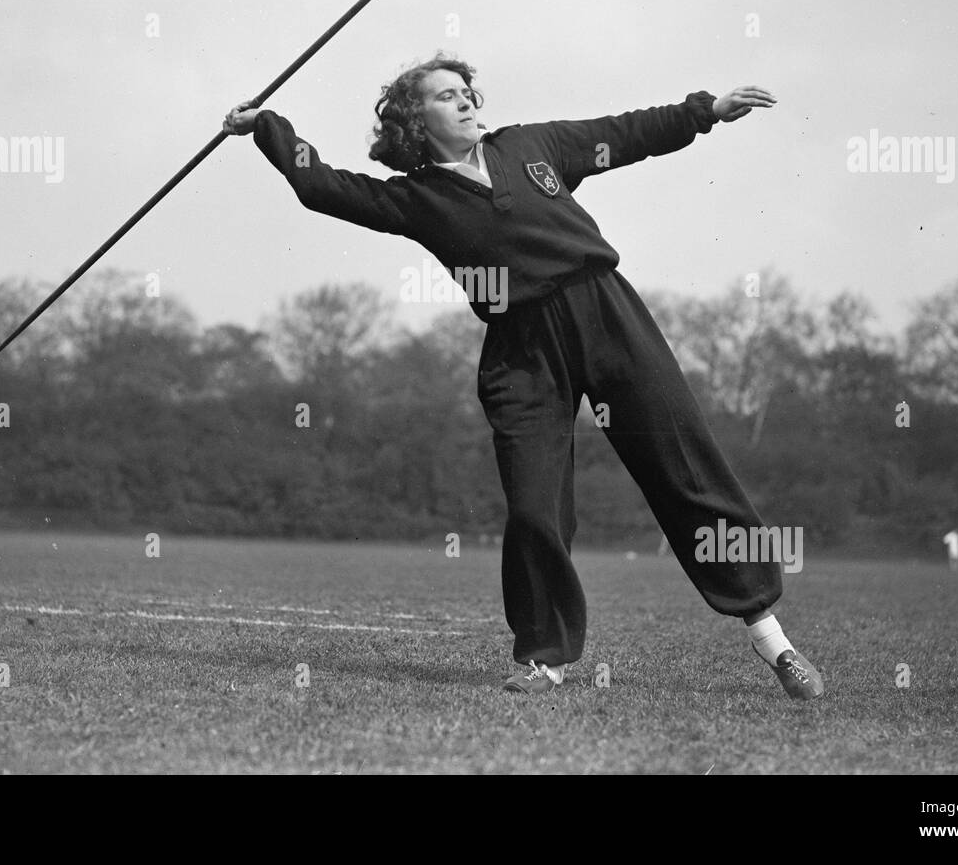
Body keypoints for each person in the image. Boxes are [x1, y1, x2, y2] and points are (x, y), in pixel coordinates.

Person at [224, 55, 824, 700]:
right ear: (413, 120)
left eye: (466, 92)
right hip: (523, 351)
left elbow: (621, 133)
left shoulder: (531, 146)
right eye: (446, 97)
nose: (465, 102)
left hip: (607, 315)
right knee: (535, 505)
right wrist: (266, 125)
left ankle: (774, 641)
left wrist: (704, 111)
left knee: (686, 470)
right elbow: (323, 187)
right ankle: (544, 658)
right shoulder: (415, 198)